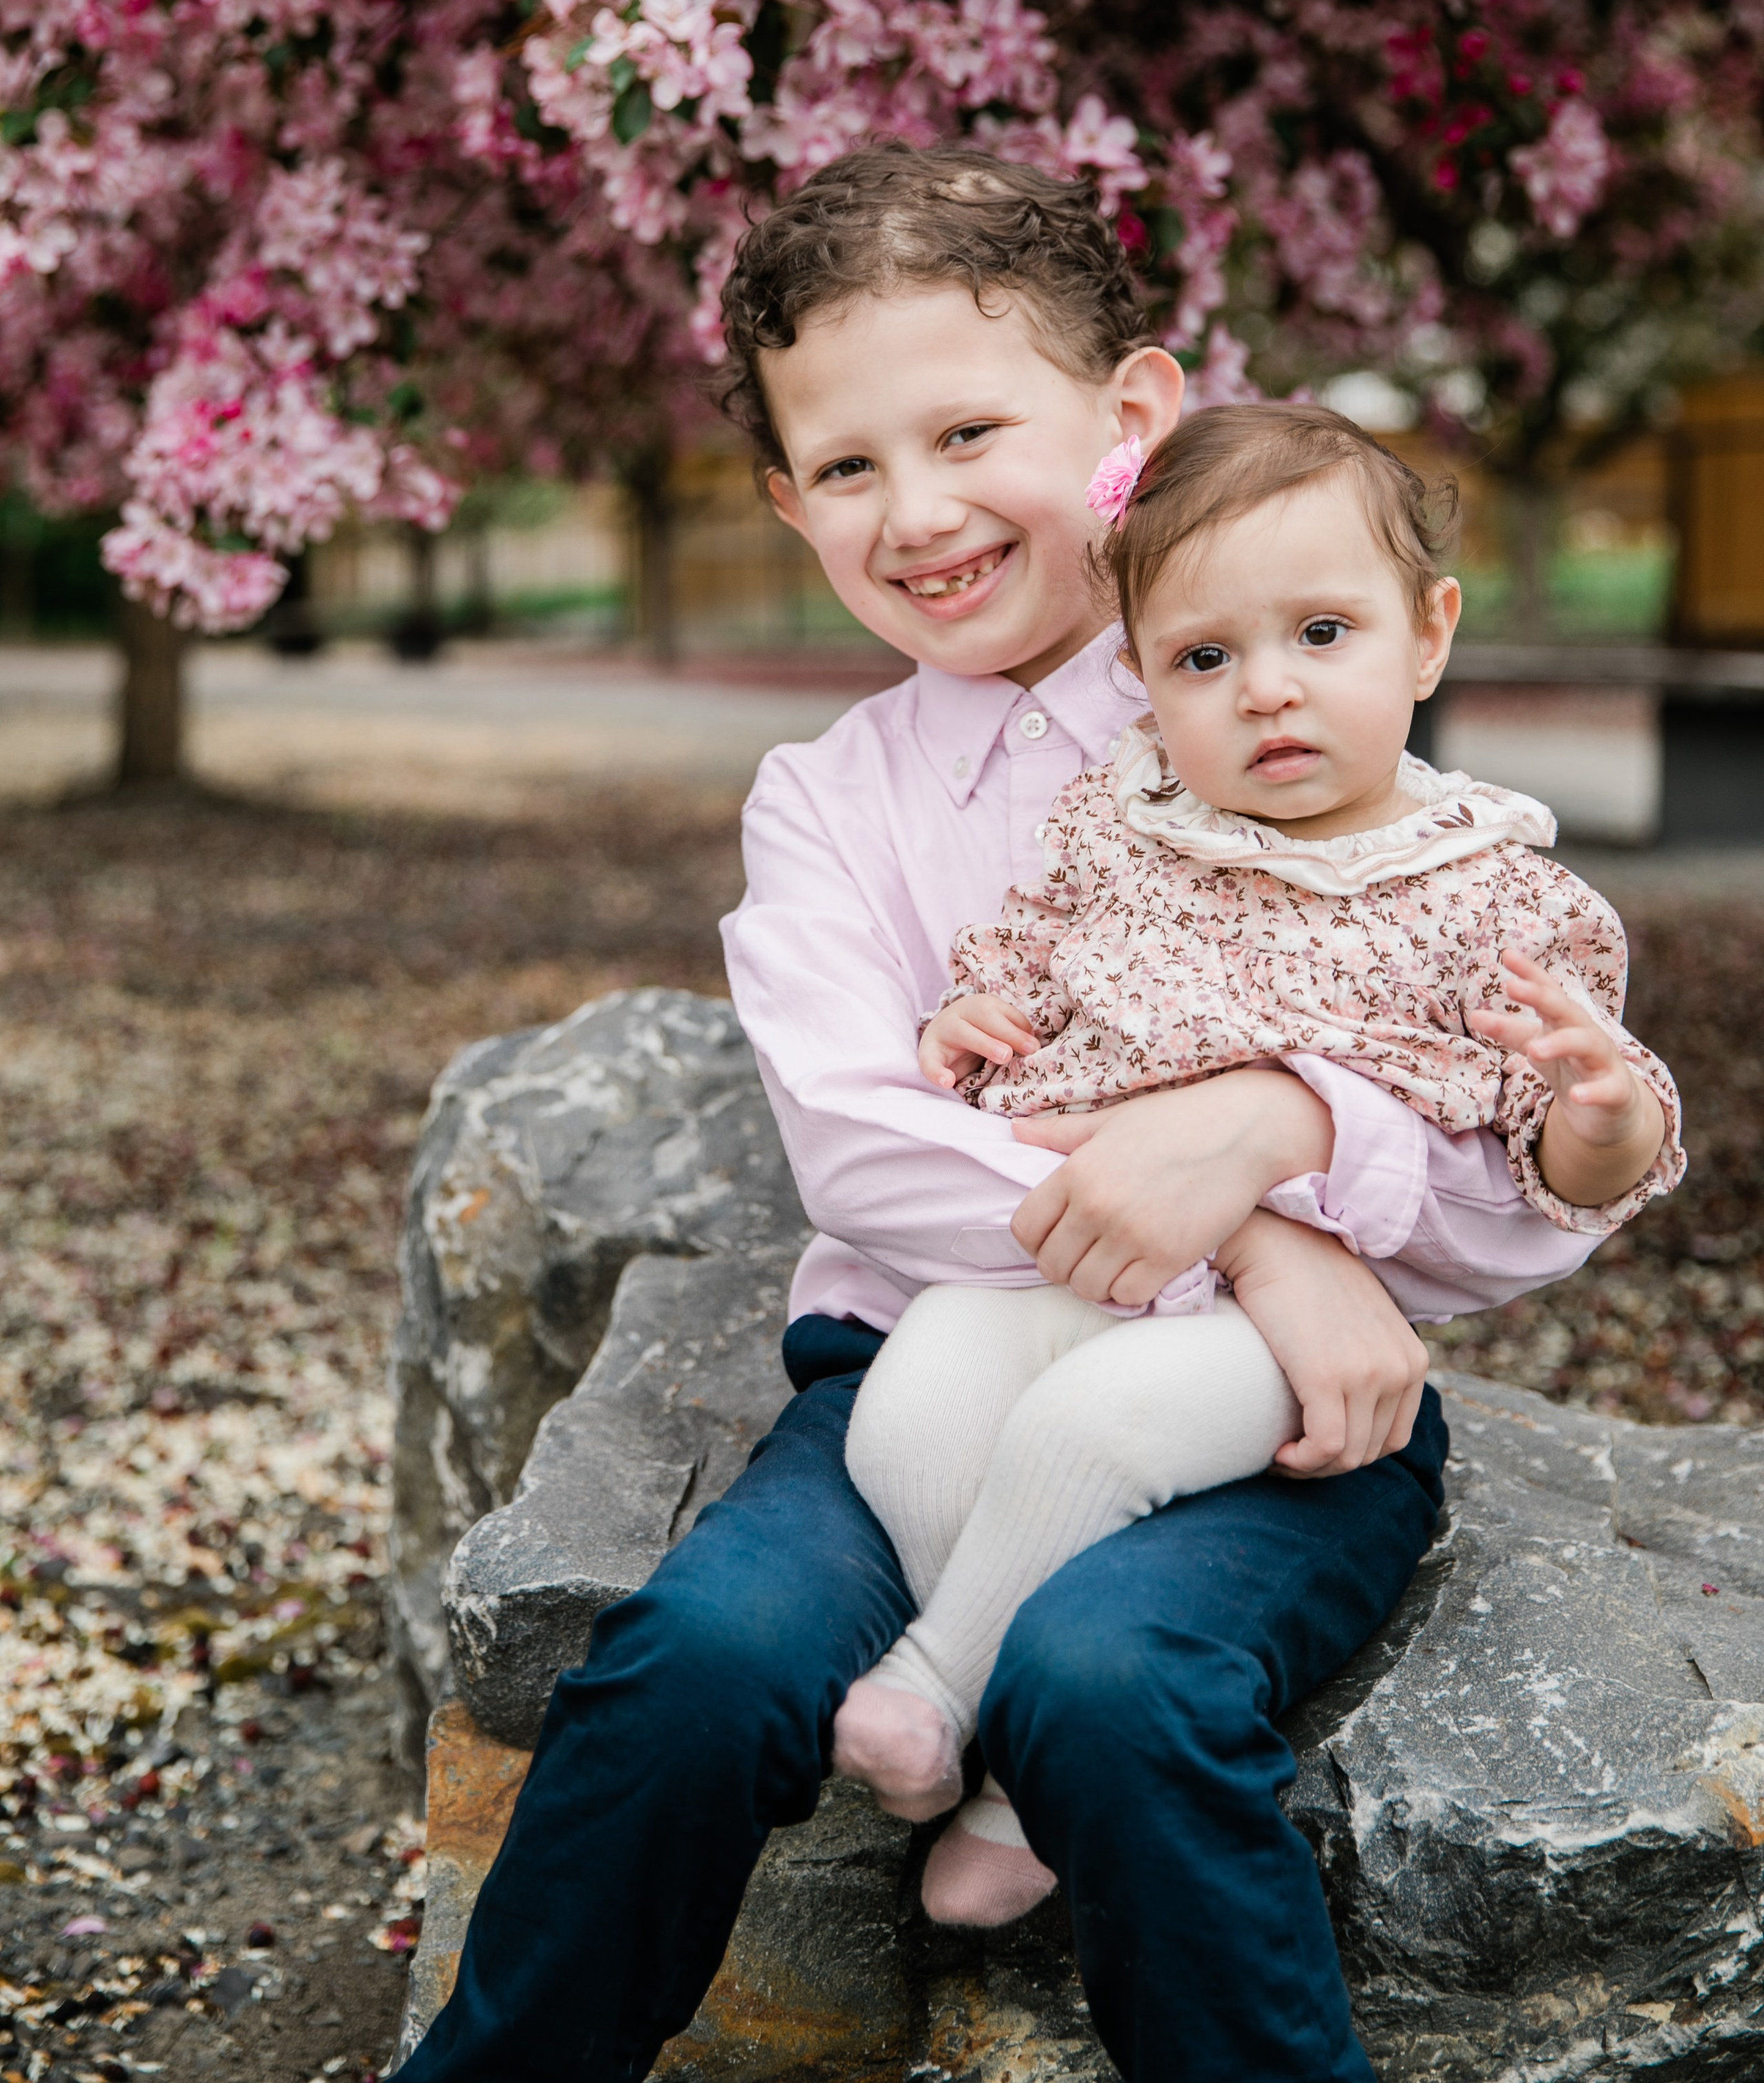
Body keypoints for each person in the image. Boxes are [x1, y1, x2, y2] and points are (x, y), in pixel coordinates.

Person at [400, 147, 1652, 2083]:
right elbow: (866, 1149)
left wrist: (1292, 1117)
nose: (916, 512)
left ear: (1128, 422)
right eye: (845, 467)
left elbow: (1503, 1222)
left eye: (970, 429)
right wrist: (1257, 1213)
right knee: (694, 1667)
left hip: (1264, 1436)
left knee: (1109, 1684)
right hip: (917, 1383)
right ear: (787, 501)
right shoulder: (829, 802)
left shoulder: (1294, 723)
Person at [830, 402, 1681, 1927]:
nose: (1265, 692)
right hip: (1087, 1250)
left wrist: (1598, 1103)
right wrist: (982, 1009)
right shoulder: (1129, 817)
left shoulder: (1488, 888)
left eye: (1321, 633)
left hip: (1263, 1324)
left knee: (1091, 1424)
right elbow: (1032, 948)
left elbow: (1569, 1145)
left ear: (1425, 638)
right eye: (1204, 660)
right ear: (1143, 685)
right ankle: (1015, 1692)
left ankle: (957, 1712)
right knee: (915, 1406)